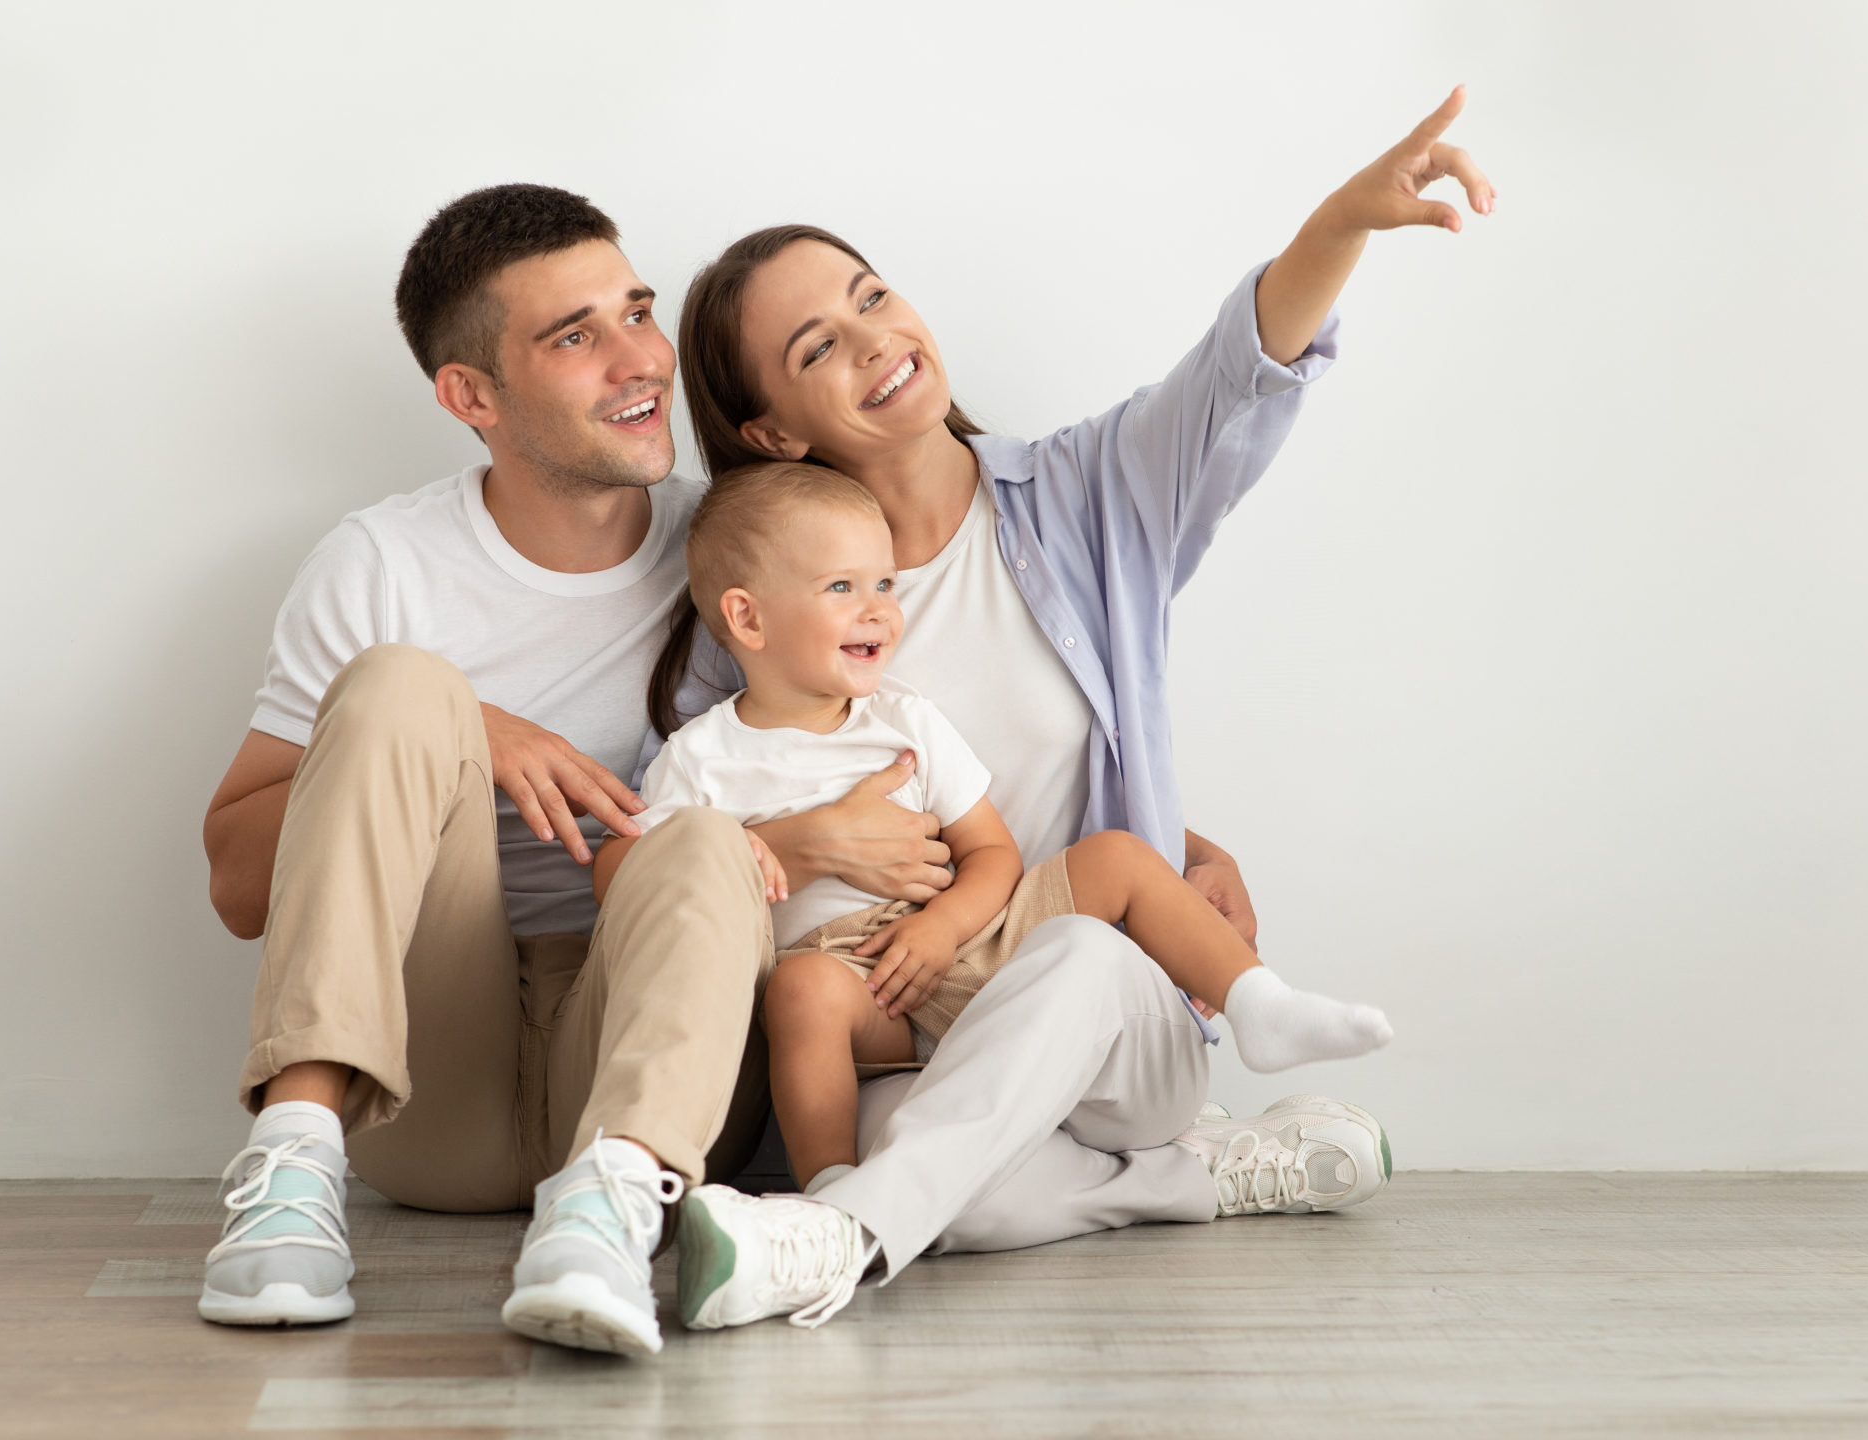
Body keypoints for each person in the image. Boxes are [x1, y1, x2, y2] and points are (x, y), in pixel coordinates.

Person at [623, 87, 1495, 1334]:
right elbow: (691, 880)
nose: (872, 339)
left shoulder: (1085, 496)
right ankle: (1198, 1176)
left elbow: (1233, 378)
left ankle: (838, 1240)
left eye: (870, 296)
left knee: (1076, 954)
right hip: (898, 1041)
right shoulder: (750, 620)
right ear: (767, 427)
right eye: (816, 346)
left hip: (1108, 1010)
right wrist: (801, 850)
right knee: (956, 1195)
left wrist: (1343, 223)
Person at [197, 183, 802, 1356]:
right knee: (399, 685)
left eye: (637, 310)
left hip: (652, 1079)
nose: (639, 361)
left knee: (694, 837)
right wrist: (468, 733)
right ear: (471, 394)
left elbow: (889, 729)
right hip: (422, 1085)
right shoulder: (383, 560)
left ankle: (606, 1216)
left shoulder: (733, 544)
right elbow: (233, 887)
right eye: (574, 337)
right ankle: (289, 1168)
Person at [636, 461, 1393, 1217]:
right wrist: (759, 849)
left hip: (973, 941)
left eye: (885, 585)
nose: (877, 611)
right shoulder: (703, 759)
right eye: (842, 588)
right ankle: (832, 1202)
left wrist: (944, 927)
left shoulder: (906, 721)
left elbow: (993, 854)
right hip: (855, 982)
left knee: (1117, 857)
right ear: (748, 619)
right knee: (801, 995)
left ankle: (1258, 1001)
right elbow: (649, 882)